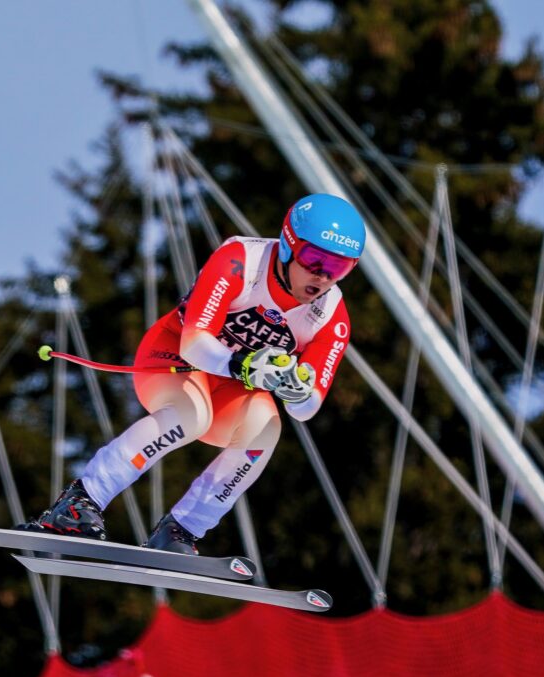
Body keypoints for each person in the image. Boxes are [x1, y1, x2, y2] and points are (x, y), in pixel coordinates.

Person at [18, 192, 362, 555]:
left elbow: (307, 407)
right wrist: (241, 364)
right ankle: (79, 503)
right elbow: (194, 342)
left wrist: (298, 390)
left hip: (229, 388)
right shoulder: (241, 262)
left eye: (339, 268)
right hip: (173, 357)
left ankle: (182, 529)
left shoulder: (331, 317)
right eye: (314, 259)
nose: (323, 277)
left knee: (266, 428)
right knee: (190, 415)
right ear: (290, 245)